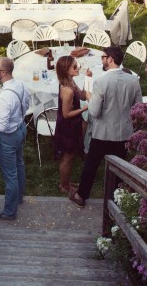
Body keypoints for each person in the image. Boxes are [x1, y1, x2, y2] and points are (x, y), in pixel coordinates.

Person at [70, 46, 140, 209]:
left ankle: (81, 195)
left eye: (103, 57)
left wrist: (89, 97)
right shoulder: (133, 80)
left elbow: (94, 111)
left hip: (102, 132)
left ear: (110, 59)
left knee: (92, 165)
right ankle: (118, 201)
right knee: (120, 168)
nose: (101, 60)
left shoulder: (101, 82)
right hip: (124, 132)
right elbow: (138, 107)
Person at [0, 57, 30, 221]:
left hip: (8, 136)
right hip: (21, 128)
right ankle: (19, 197)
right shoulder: (21, 85)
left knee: (10, 175)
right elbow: (26, 104)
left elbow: (2, 126)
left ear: (3, 72)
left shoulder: (4, 97)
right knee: (19, 164)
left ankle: (9, 212)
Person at [54, 54, 90, 193]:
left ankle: (66, 182)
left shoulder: (71, 82)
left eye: (77, 65)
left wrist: (87, 78)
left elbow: (81, 95)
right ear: (66, 70)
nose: (78, 68)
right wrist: (84, 108)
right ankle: (64, 186)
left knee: (70, 156)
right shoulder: (67, 90)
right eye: (74, 66)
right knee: (67, 158)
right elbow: (66, 114)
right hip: (67, 128)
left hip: (73, 125)